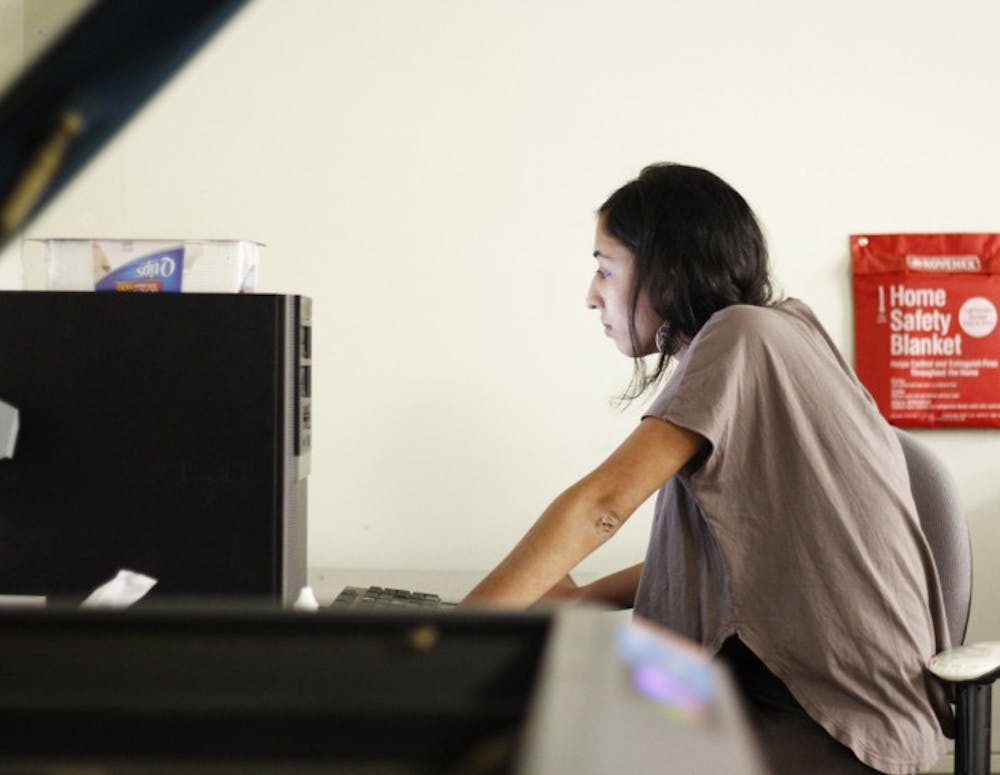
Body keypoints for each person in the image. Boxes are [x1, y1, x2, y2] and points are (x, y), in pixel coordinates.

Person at [462, 163, 952, 775]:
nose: (592, 293)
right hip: (773, 683)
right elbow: (741, 550)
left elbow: (602, 506)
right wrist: (583, 596)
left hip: (822, 717)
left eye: (605, 268)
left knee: (520, 724)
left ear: (665, 272)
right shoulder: (781, 331)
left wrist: (450, 640)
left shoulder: (739, 337)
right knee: (557, 677)